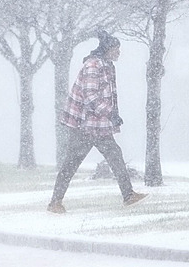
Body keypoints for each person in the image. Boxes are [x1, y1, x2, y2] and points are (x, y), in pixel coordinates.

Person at [47, 31, 148, 214]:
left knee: (115, 156)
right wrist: (111, 114)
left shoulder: (107, 65)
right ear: (108, 49)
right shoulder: (93, 66)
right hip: (84, 126)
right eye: (116, 49)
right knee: (71, 163)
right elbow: (90, 97)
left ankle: (128, 195)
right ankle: (55, 202)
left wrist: (111, 115)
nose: (119, 53)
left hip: (98, 125)